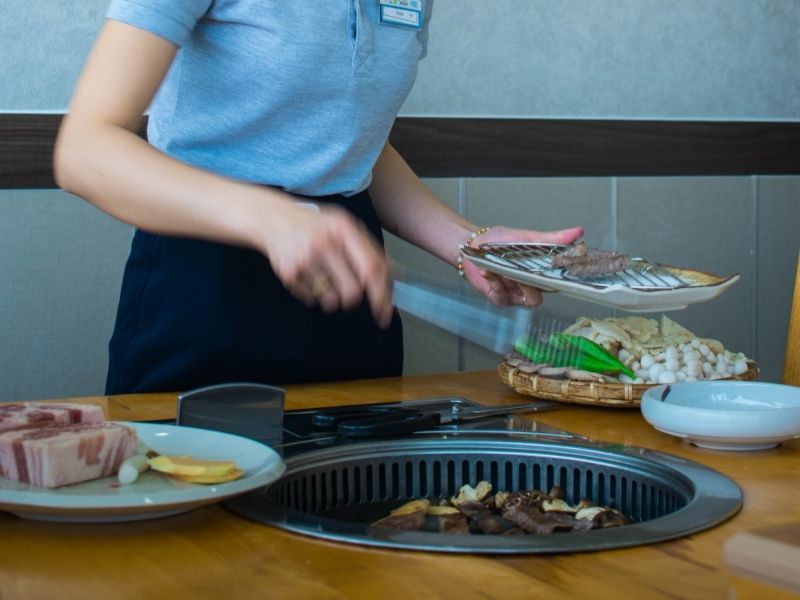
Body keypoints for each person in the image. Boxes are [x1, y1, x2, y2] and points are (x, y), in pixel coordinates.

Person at [54, 1, 583, 394]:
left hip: (350, 290)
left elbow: (349, 142)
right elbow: (84, 149)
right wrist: (273, 220)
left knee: (361, 515)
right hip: (203, 283)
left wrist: (469, 244)